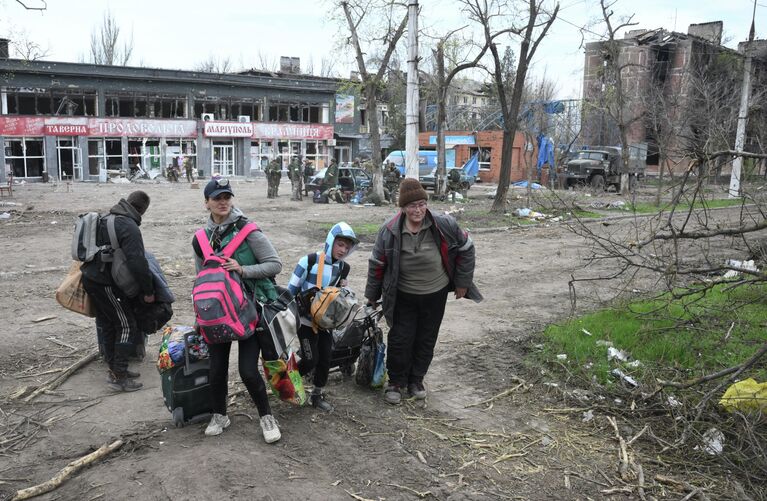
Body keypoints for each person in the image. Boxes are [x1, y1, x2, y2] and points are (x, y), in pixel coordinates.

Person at [364, 178, 482, 405]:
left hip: (435, 293)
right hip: (403, 295)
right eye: (412, 206)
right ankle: (396, 383)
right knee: (400, 339)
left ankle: (416, 380)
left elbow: (467, 248)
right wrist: (372, 294)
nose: (417, 210)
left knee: (426, 339)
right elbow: (377, 263)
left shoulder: (443, 223)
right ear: (403, 208)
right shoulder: (389, 230)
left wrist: (462, 282)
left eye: (421, 204)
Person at [193, 178, 283, 443]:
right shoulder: (200, 239)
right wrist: (199, 315)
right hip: (215, 313)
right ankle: (220, 415)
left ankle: (267, 417)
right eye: (216, 198)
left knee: (247, 370)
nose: (223, 202)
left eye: (227, 197)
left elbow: (274, 264)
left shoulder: (248, 231)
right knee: (216, 369)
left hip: (249, 311)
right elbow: (200, 278)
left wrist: (243, 270)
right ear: (206, 203)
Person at [81, 191, 155, 392]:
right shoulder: (129, 226)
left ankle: (115, 368)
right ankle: (118, 375)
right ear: (142, 210)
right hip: (106, 282)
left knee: (108, 323)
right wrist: (148, 290)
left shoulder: (107, 218)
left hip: (90, 277)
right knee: (126, 325)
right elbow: (138, 262)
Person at [287, 222, 358, 412]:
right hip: (304, 322)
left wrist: (345, 289)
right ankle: (289, 381)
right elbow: (290, 291)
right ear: (330, 241)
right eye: (340, 244)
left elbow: (337, 295)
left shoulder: (344, 268)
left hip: (326, 322)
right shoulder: (308, 261)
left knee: (326, 358)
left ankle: (317, 395)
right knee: (311, 359)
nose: (343, 250)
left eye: (347, 247)